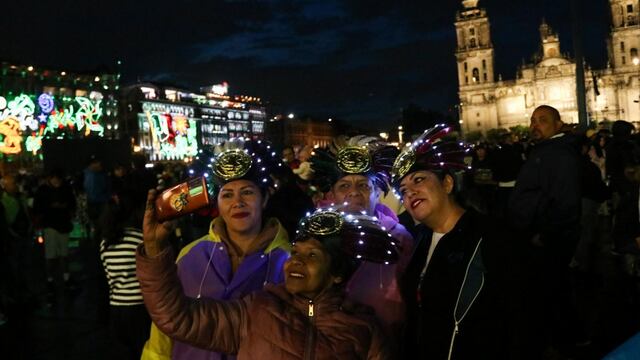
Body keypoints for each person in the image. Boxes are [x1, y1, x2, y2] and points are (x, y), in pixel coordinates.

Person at [137, 206, 397, 359]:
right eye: (295, 253)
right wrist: (154, 247)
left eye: (312, 256)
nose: (296, 261)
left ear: (337, 273)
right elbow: (177, 317)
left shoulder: (365, 329)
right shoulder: (258, 309)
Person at [141, 138, 291, 360]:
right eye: (227, 194)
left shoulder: (290, 262)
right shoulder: (190, 254)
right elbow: (161, 338)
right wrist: (154, 246)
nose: (237, 202)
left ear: (264, 198)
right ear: (216, 204)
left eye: (247, 192)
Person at [391, 125, 515, 359]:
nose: (410, 193)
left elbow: (521, 317)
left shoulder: (492, 236)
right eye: (403, 190)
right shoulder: (419, 242)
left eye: (418, 180)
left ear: (447, 184)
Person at [309, 135, 414, 340]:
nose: (354, 193)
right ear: (332, 194)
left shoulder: (400, 239)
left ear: (377, 192)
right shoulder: (314, 237)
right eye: (344, 186)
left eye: (363, 185)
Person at [508, 105, 582, 358]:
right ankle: (567, 338)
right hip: (540, 233)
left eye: (542, 120)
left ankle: (563, 342)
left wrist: (545, 235)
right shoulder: (548, 151)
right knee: (555, 289)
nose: (534, 125)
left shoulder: (559, 154)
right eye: (532, 120)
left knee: (551, 290)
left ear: (558, 125)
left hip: (548, 237)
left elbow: (565, 200)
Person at [99, 187, 149, 359]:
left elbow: (108, 276)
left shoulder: (105, 243)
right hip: (139, 307)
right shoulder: (139, 239)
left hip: (116, 308)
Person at [33, 169, 77, 301]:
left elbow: (72, 203)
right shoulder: (44, 190)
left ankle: (64, 278)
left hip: (61, 225)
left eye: (57, 178)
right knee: (51, 256)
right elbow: (37, 207)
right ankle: (52, 279)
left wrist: (64, 207)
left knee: (63, 254)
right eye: (53, 178)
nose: (56, 180)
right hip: (51, 225)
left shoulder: (64, 189)